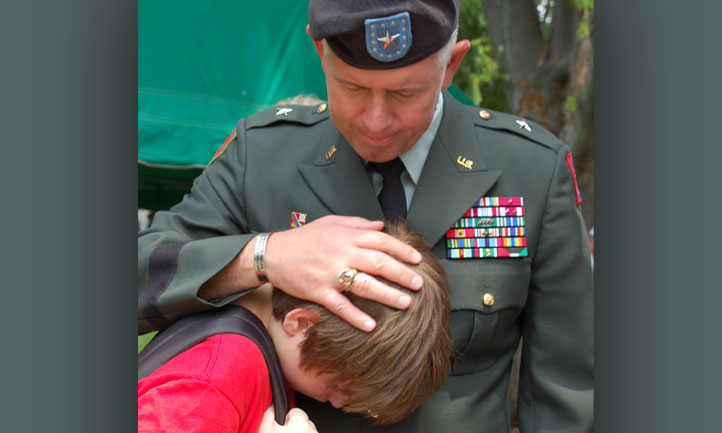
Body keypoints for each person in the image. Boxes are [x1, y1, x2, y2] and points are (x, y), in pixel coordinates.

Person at [138, 0, 593, 431]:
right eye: (353, 87)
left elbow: (566, 392)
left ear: (450, 66)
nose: (376, 120)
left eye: (404, 93)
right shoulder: (261, 157)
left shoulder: (531, 171)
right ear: (320, 53)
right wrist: (265, 255)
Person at [139, 223, 452, 433]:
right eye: (340, 386)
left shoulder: (261, 352)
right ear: (301, 323)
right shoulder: (216, 380)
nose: (343, 404)